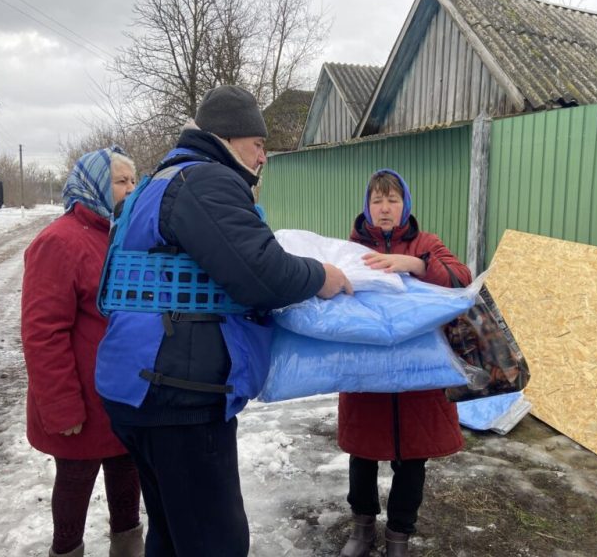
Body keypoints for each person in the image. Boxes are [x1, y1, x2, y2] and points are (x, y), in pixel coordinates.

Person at [95, 85, 352, 557]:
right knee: (216, 542)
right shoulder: (204, 182)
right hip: (177, 396)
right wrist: (321, 275)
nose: (264, 158)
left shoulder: (161, 181)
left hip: (143, 387)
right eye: (259, 145)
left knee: (172, 532)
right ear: (230, 140)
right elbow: (262, 273)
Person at [338, 169, 472, 557]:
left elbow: (460, 277)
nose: (384, 209)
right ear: (367, 206)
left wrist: (411, 264)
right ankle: (362, 528)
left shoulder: (426, 244)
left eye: (392, 200)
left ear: (405, 205)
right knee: (362, 454)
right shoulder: (350, 248)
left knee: (412, 460)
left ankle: (399, 534)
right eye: (377, 201)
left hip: (419, 378)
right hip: (368, 374)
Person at [21, 147, 143, 557]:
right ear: (92, 185)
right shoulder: (59, 241)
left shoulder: (123, 235)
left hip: (122, 394)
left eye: (133, 181)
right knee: (75, 484)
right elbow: (42, 333)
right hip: (80, 402)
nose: (131, 189)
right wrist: (61, 408)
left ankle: (128, 549)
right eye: (120, 181)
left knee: (128, 479)